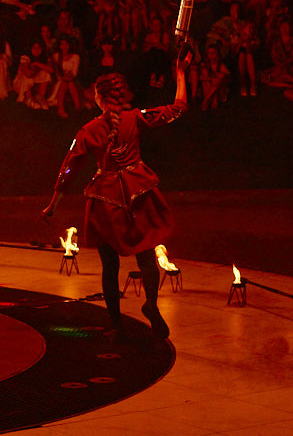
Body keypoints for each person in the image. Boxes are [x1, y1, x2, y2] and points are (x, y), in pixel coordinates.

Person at [39, 60, 189, 341]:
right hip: (138, 193)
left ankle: (116, 325)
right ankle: (151, 303)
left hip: (106, 200)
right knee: (146, 257)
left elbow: (68, 169)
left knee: (110, 266)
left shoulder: (88, 130)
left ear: (99, 96)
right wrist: (180, 73)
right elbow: (178, 108)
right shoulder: (136, 117)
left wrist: (52, 205)